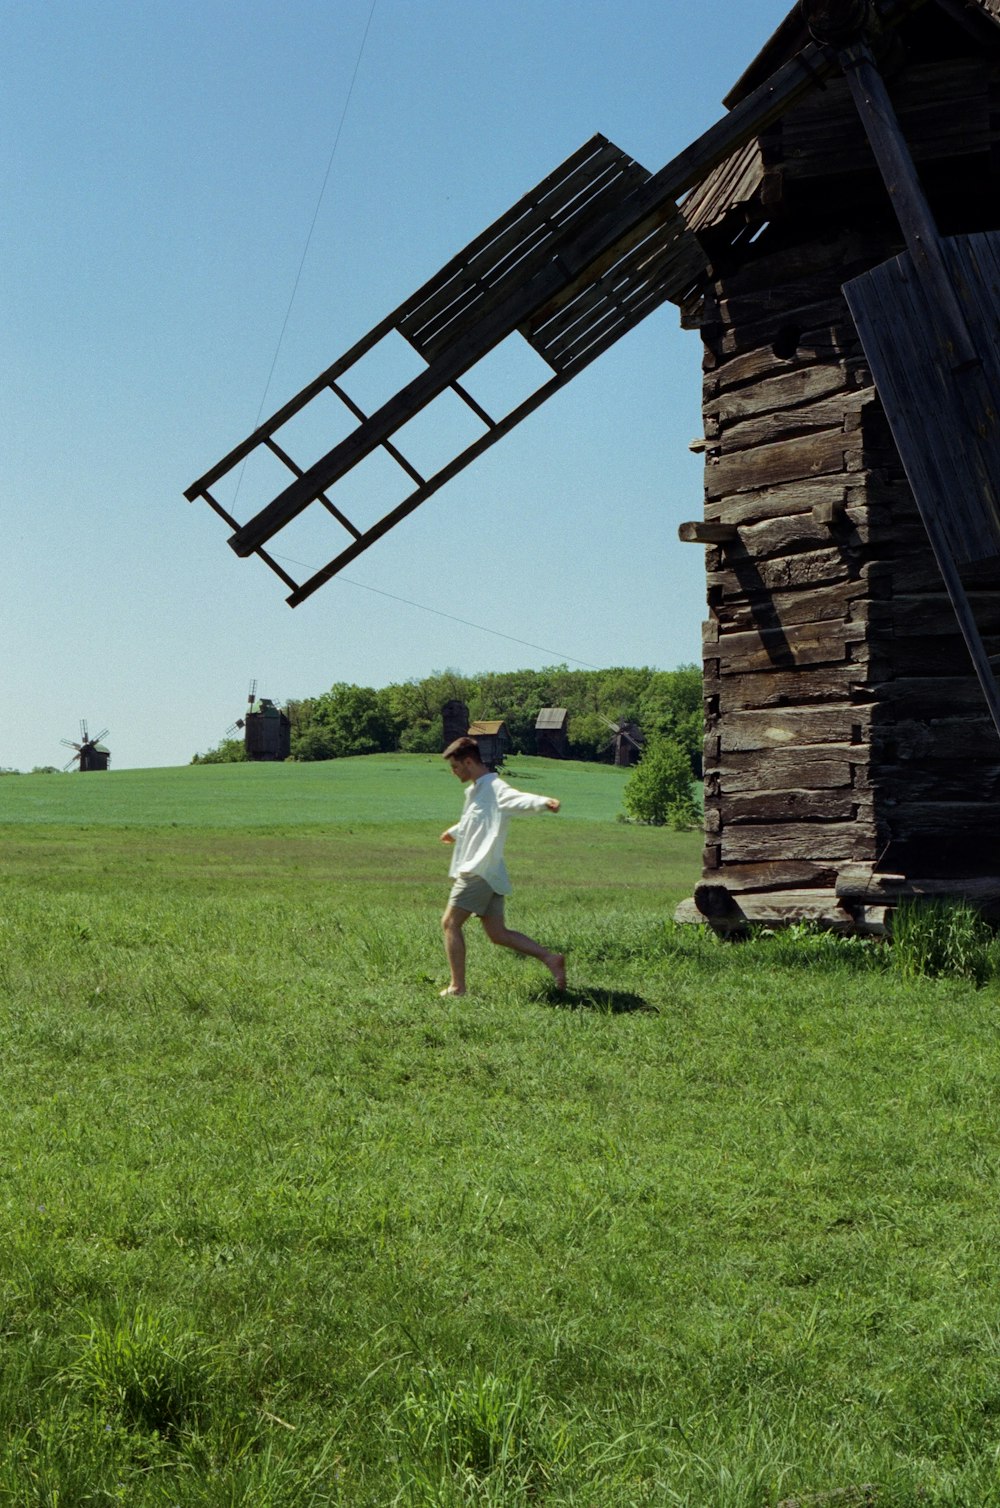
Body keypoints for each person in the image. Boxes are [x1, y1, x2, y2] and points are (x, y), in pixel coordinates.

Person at [438, 736, 566, 998]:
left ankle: (457, 987)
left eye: (455, 767)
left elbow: (518, 800)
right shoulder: (477, 790)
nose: (453, 773)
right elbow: (479, 820)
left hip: (478, 871)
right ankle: (550, 958)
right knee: (497, 933)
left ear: (470, 761)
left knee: (450, 923)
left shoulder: (495, 787)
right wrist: (455, 831)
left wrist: (544, 802)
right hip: (490, 871)